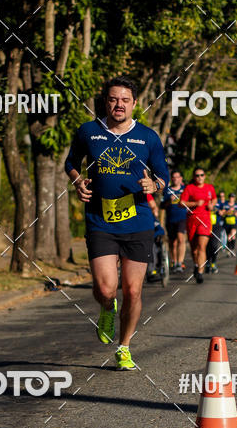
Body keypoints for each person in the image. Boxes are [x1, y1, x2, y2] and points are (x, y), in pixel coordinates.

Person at [65, 75, 170, 370]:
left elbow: (163, 174)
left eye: (125, 100)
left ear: (135, 103)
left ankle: (124, 347)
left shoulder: (148, 137)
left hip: (138, 221)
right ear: (105, 102)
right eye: (113, 99)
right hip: (100, 220)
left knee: (133, 291)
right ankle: (106, 307)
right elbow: (71, 162)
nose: (119, 105)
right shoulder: (89, 131)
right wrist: (77, 181)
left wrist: (154, 184)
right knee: (106, 288)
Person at [180, 168, 216, 284]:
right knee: (194, 250)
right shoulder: (189, 188)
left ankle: (200, 272)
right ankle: (196, 265)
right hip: (192, 221)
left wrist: (212, 205)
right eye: (197, 175)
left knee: (201, 247)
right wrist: (195, 203)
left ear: (204, 176)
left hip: (205, 221)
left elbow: (214, 198)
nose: (199, 177)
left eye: (201, 175)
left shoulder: (210, 188)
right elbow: (181, 203)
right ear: (194, 177)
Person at [162, 170, 188, 272]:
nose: (175, 179)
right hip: (170, 219)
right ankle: (174, 261)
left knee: (181, 238)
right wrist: (169, 201)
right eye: (173, 177)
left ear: (181, 178)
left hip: (182, 218)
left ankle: (180, 263)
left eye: (177, 177)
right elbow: (162, 206)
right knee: (173, 243)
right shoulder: (167, 190)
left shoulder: (185, 189)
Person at [206, 189, 227, 272]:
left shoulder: (218, 202)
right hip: (206, 226)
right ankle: (207, 263)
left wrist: (219, 211)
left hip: (216, 226)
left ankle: (213, 262)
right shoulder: (205, 201)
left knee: (214, 245)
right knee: (207, 246)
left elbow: (223, 211)